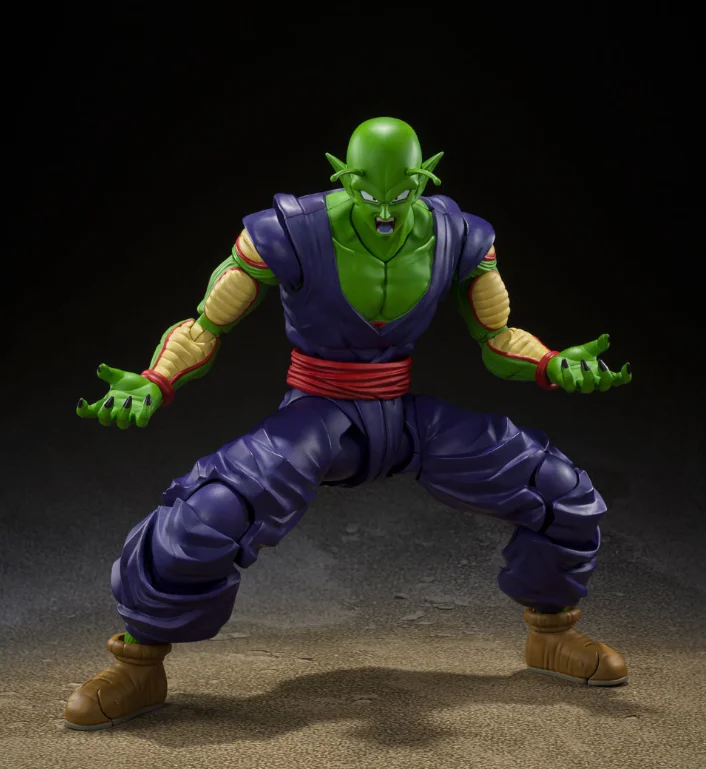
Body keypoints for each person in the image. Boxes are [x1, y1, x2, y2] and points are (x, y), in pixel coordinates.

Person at [66, 117, 632, 730]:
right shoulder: (286, 231)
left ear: (426, 178)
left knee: (557, 488)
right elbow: (206, 325)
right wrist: (156, 379)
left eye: (401, 195)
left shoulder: (461, 236)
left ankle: (552, 634)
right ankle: (138, 662)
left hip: (403, 415)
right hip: (317, 414)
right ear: (344, 176)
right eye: (368, 195)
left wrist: (551, 363)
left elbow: (498, 338)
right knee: (211, 511)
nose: (385, 213)